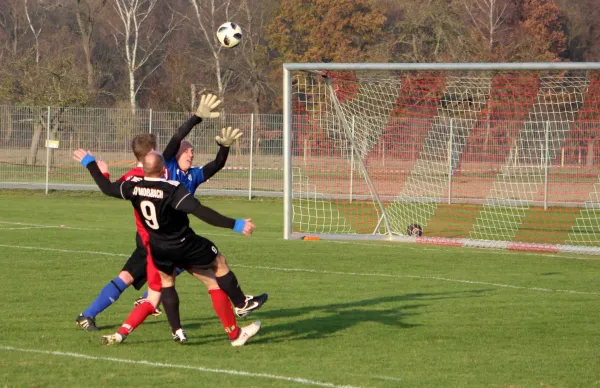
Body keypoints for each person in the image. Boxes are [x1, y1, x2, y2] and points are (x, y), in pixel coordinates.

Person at [75, 95, 266, 332]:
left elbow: (108, 187)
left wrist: (96, 168)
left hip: (156, 238)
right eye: (187, 152)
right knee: (205, 277)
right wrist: (196, 117)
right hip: (157, 239)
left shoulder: (139, 177)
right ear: (155, 155)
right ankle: (228, 319)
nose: (190, 154)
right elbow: (177, 139)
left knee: (131, 276)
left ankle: (94, 314)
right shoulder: (158, 169)